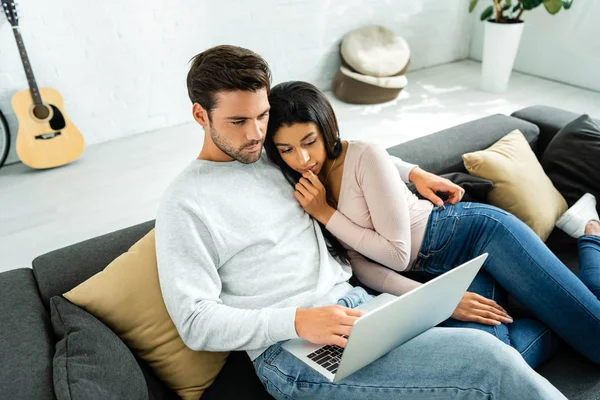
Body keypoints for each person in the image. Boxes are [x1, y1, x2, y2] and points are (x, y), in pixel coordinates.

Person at [155, 45, 567, 400]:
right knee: (487, 359)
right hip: (291, 351)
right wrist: (297, 320)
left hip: (363, 308)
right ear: (200, 115)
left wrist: (411, 172)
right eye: (239, 122)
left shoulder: (274, 156)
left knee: (492, 342)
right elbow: (194, 323)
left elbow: (338, 150)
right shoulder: (185, 203)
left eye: (261, 116)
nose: (256, 133)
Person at [263, 80, 600, 371]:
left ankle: (590, 238)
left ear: (327, 129)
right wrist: (440, 299)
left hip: (476, 237)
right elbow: (360, 266)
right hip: (434, 276)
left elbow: (396, 254)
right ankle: (555, 319)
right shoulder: (302, 185)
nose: (303, 158)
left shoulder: (360, 161)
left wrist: (326, 213)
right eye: (287, 150)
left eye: (309, 142)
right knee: (490, 361)